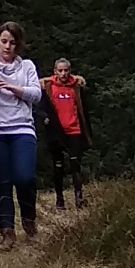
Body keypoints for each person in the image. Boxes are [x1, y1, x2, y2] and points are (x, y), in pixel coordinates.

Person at [0, 22, 44, 249]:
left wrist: (13, 88)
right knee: (2, 182)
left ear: (18, 45)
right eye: (4, 41)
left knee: (25, 177)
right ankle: (7, 232)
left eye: (12, 42)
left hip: (22, 129)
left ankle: (29, 221)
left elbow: (36, 94)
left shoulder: (26, 66)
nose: (8, 46)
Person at [42, 58, 91, 210]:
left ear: (70, 71)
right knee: (58, 167)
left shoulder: (76, 86)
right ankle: (59, 200)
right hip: (57, 132)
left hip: (74, 130)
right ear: (55, 71)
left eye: (66, 70)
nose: (63, 73)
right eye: (60, 70)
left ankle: (79, 198)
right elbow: (42, 105)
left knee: (75, 165)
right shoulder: (48, 87)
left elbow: (83, 108)